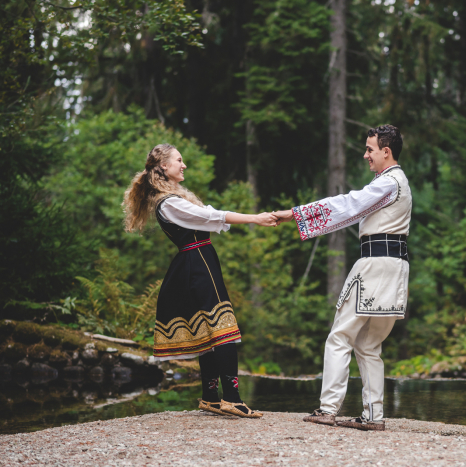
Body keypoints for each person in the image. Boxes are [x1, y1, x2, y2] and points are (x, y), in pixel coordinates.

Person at [123, 143, 279, 418]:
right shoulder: (168, 202)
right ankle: (231, 398)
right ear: (163, 167)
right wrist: (254, 218)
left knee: (210, 331)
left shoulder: (171, 199)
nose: (183, 165)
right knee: (223, 328)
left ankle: (210, 397)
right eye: (179, 161)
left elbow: (208, 215)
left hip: (196, 261)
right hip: (197, 263)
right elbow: (210, 216)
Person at [275, 125, 411, 431]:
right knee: (368, 344)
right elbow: (352, 209)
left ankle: (327, 409)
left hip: (375, 265)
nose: (365, 155)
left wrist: (295, 213)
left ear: (385, 151)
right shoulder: (396, 182)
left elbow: (348, 204)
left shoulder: (389, 182)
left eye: (369, 149)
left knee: (340, 336)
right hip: (396, 265)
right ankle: (373, 416)